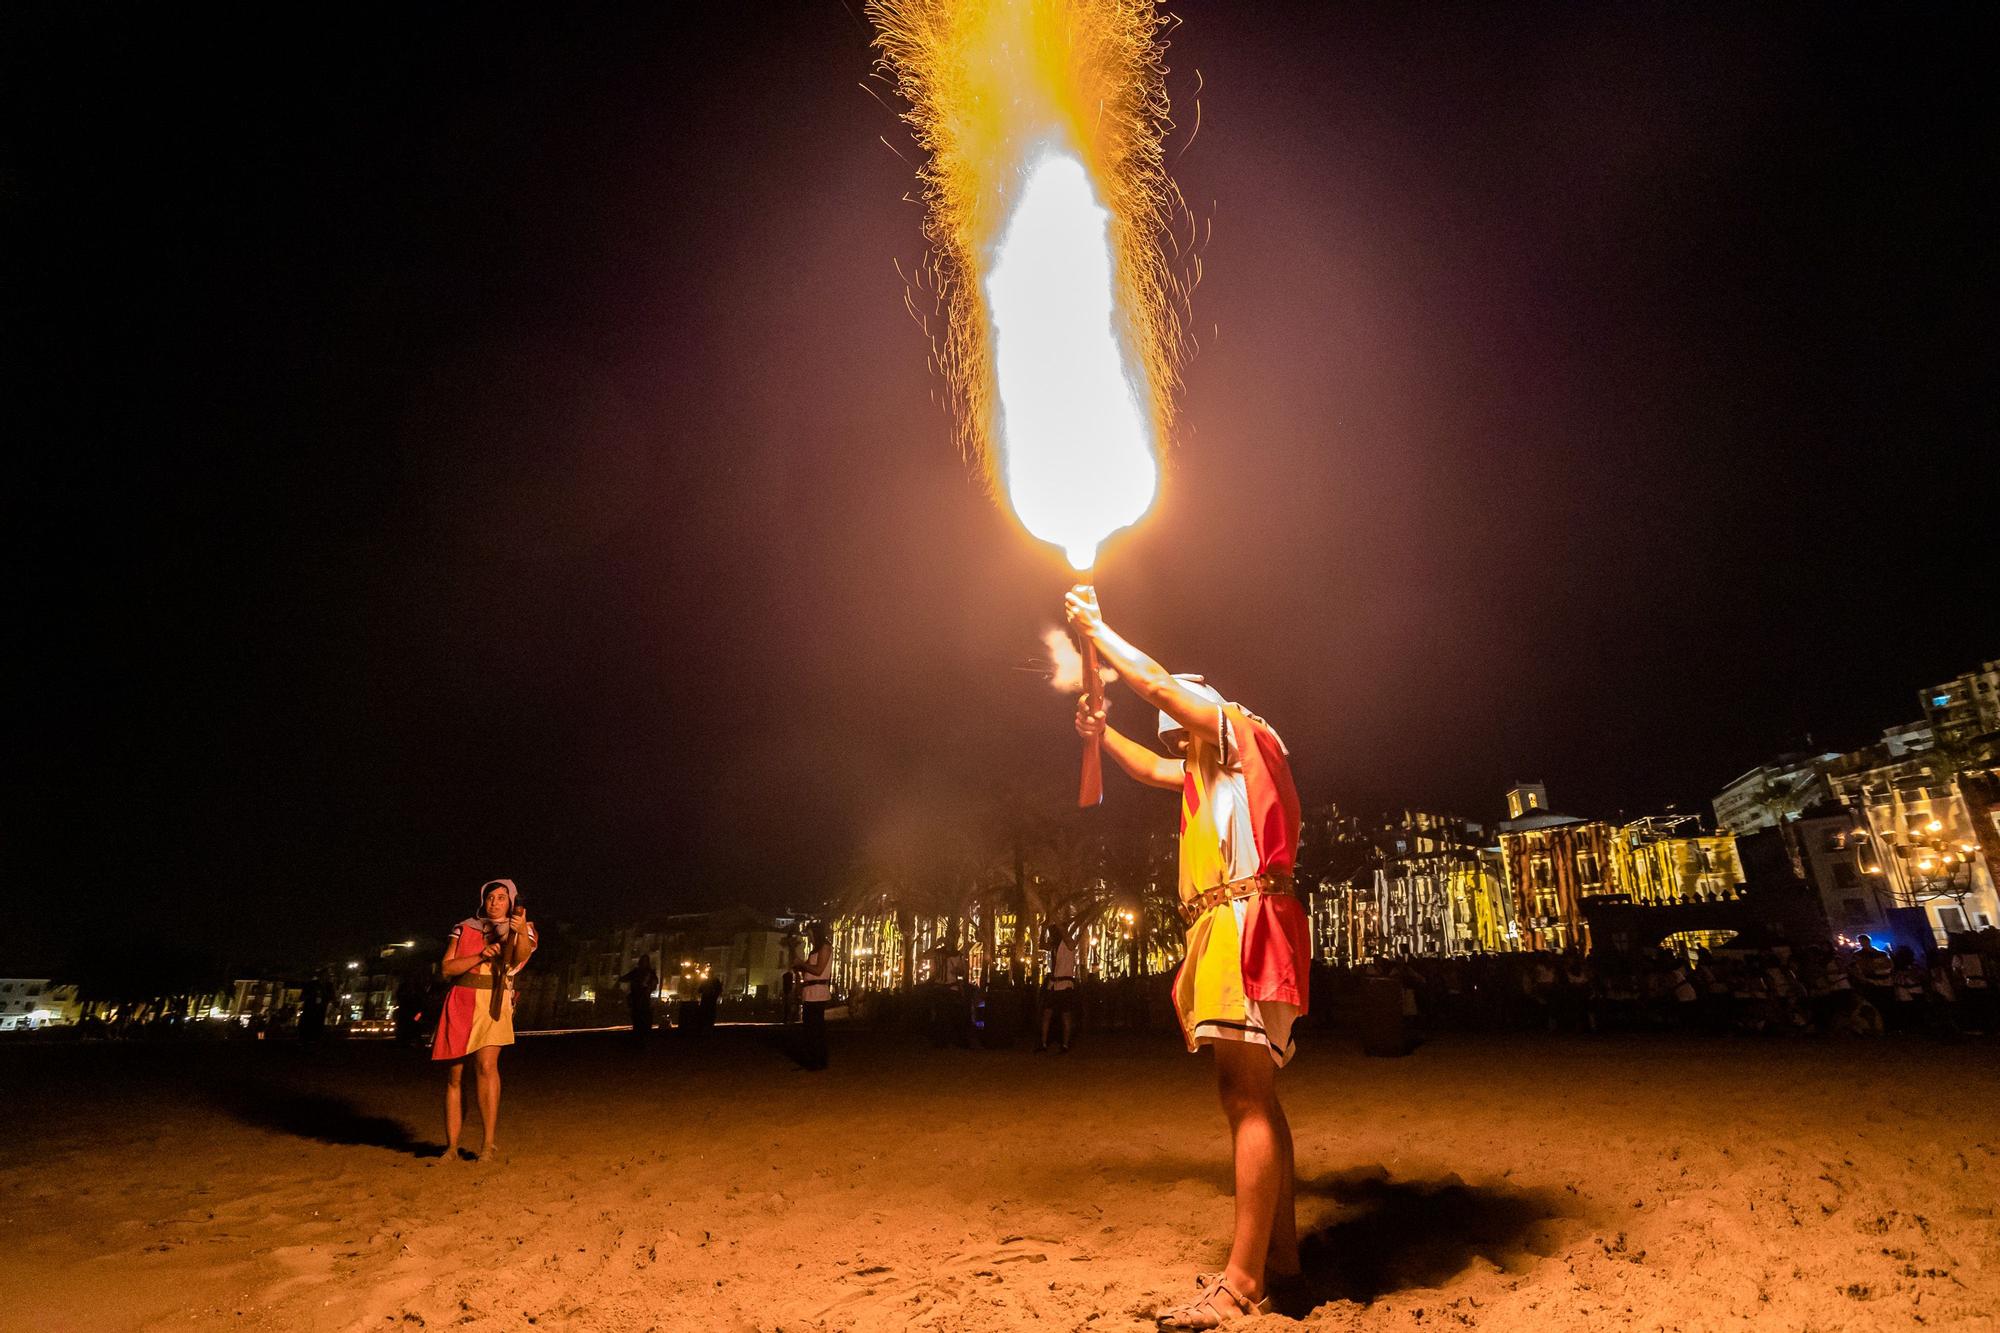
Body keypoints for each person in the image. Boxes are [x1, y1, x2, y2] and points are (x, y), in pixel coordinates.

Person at [1067, 585, 1308, 1327]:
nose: (1173, 742)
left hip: (1248, 921)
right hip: (1231, 923)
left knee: (1246, 1096)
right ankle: (1283, 1257)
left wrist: (1099, 632)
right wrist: (1102, 732)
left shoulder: (1238, 731)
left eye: (1177, 728)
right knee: (1252, 1093)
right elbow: (1144, 769)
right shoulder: (1211, 770)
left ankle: (1243, 1282)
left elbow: (1162, 684)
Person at [431, 878, 537, 1162]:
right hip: (461, 1001)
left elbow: (519, 957)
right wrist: (479, 955)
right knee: (454, 1076)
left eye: (502, 897)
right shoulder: (464, 927)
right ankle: (451, 1146)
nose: (495, 902)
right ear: (483, 899)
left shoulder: (522, 927)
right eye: (491, 897)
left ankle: (487, 1145)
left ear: (511, 901)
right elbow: (446, 968)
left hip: (494, 1000)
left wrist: (518, 932)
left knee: (487, 1067)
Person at [1040, 917, 1082, 1053]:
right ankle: (1043, 1043)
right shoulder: (1054, 947)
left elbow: (1067, 939)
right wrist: (1043, 928)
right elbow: (1042, 945)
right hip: (1053, 984)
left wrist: (1057, 922)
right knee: (1047, 1014)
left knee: (1065, 1015)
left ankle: (1065, 1045)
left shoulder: (1068, 944)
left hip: (1065, 985)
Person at [797, 922, 833, 1071]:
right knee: (810, 1028)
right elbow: (808, 971)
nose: (810, 938)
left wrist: (802, 964)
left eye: (811, 935)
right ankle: (813, 1059)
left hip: (818, 992)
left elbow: (818, 970)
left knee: (815, 1028)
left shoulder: (825, 947)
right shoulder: (814, 950)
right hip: (810, 992)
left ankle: (818, 1060)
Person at [622, 954, 659, 1041]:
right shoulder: (636, 972)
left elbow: (654, 982)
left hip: (644, 999)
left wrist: (649, 988)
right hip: (636, 998)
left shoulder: (650, 973)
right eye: (643, 961)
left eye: (645, 961)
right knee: (637, 1018)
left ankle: (642, 1037)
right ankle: (638, 1037)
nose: (644, 963)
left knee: (643, 1017)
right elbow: (627, 977)